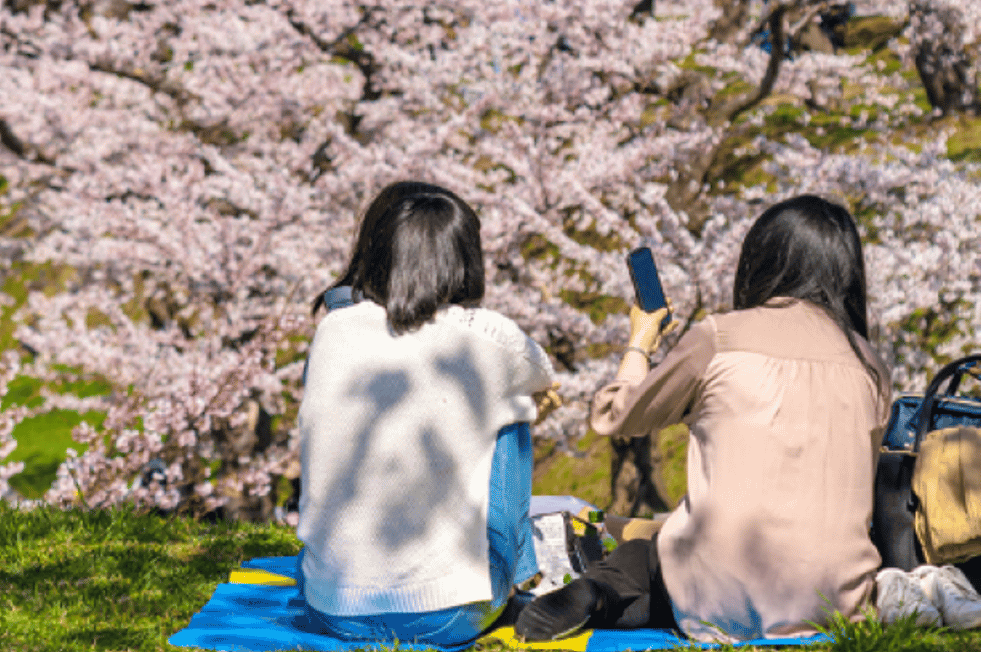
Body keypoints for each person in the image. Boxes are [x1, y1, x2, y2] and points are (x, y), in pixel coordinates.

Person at [518, 196, 891, 644]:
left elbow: (616, 416)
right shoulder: (869, 365)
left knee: (647, 559)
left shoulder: (721, 337)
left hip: (722, 593)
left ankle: (597, 591)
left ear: (760, 262)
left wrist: (641, 341)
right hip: (835, 600)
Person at [296, 181, 554, 650]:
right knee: (515, 412)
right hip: (448, 614)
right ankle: (521, 576)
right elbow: (544, 374)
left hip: (329, 606)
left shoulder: (331, 329)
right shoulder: (488, 335)